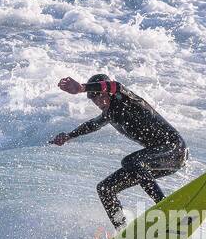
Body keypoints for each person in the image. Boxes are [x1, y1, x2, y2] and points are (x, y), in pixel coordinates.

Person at [50, 74, 189, 228]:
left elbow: (115, 85)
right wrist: (69, 136)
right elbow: (92, 124)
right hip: (157, 159)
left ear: (107, 92)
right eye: (93, 99)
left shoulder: (126, 98)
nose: (97, 101)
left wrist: (83, 88)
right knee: (105, 188)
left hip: (174, 149)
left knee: (130, 161)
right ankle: (122, 231)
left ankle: (168, 210)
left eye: (99, 96)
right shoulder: (109, 114)